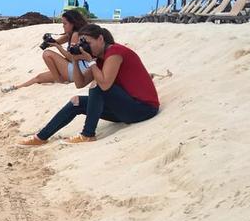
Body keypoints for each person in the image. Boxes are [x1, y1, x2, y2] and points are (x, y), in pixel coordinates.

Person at [18, 24, 159, 145]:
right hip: (124, 110)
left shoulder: (115, 52)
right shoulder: (99, 59)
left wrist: (90, 60)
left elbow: (104, 85)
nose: (86, 47)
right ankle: (40, 138)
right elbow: (80, 83)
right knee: (76, 101)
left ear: (101, 39)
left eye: (88, 43)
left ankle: (88, 134)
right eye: (82, 44)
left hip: (143, 109)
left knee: (97, 85)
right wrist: (75, 60)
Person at [1, 9, 89, 92]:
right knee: (39, 77)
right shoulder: (70, 34)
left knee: (47, 54)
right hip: (73, 69)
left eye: (65, 24)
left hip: (78, 71)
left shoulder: (76, 35)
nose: (63, 26)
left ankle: (59, 82)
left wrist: (57, 46)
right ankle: (15, 88)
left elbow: (71, 57)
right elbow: (56, 42)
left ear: (72, 24)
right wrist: (49, 41)